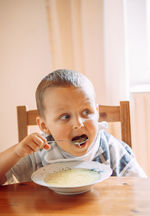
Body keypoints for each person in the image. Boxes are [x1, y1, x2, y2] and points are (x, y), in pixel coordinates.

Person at [0, 69, 147, 185]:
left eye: (86, 112)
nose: (78, 123)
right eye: (65, 116)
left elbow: (140, 188)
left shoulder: (111, 149)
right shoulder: (38, 152)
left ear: (96, 113)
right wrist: (16, 152)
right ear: (44, 126)